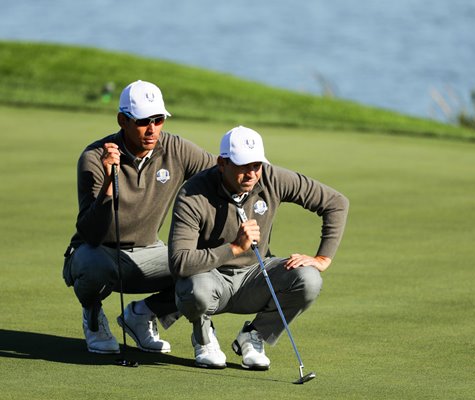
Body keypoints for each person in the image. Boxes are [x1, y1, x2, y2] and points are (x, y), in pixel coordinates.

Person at [168, 126, 349, 369]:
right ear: (222, 163)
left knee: (309, 279)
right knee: (194, 288)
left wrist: (323, 258)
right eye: (243, 166)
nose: (252, 173)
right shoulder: (193, 193)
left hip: (255, 276)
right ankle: (203, 337)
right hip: (210, 278)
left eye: (256, 165)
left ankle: (254, 336)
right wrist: (233, 248)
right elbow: (179, 262)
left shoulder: (271, 178)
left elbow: (336, 203)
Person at [62, 80, 217, 355]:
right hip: (101, 253)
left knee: (204, 264)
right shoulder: (94, 156)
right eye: (143, 121)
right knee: (89, 263)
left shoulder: (176, 149)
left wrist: (265, 181)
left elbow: (222, 175)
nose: (152, 129)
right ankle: (94, 316)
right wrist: (111, 181)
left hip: (150, 252)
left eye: (158, 120)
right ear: (123, 120)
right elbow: (91, 233)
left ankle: (143, 314)